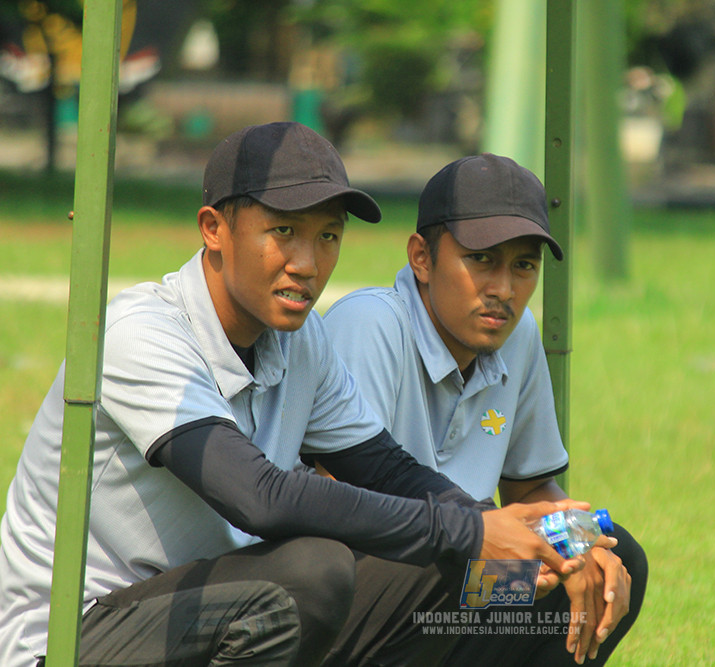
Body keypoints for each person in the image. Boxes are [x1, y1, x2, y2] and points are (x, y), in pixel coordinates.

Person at [0, 123, 603, 667]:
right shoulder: (143, 332)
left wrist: (524, 538)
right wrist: (470, 534)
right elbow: (258, 499)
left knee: (520, 561)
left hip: (200, 610)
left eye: (328, 237)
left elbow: (384, 466)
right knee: (312, 572)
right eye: (283, 231)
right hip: (71, 637)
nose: (308, 264)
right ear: (214, 229)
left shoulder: (301, 338)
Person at [323, 153, 647, 665]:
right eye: (482, 259)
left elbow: (531, 488)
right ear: (421, 258)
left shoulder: (519, 337)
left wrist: (581, 544)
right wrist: (495, 550)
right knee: (451, 562)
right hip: (365, 586)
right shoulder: (369, 325)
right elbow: (342, 509)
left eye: (524, 266)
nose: (504, 290)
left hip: (458, 570)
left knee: (614, 557)